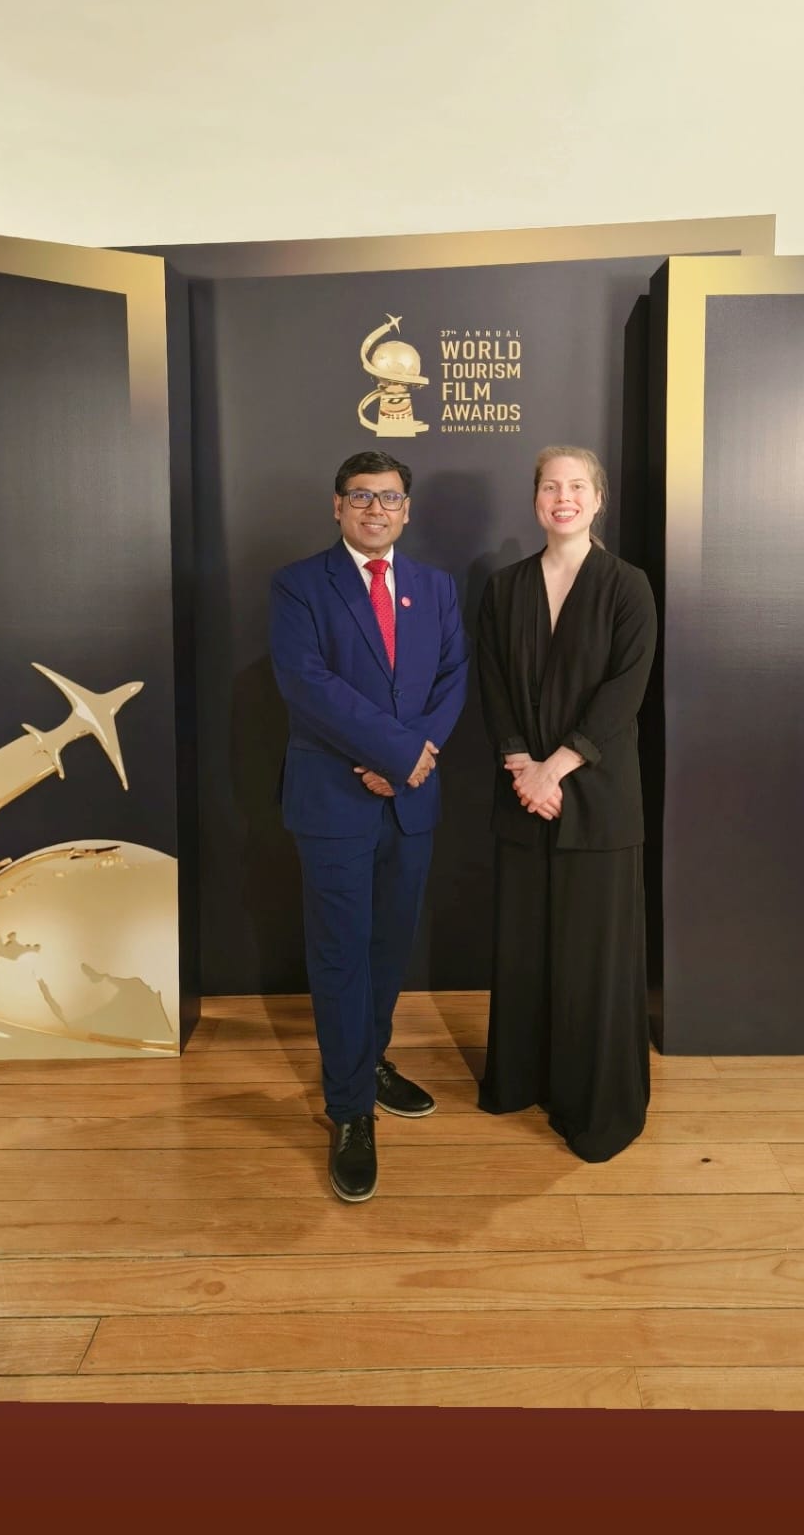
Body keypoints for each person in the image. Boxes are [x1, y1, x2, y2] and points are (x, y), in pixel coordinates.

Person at [269, 451, 469, 1202]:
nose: (375, 509)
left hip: (409, 799)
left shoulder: (435, 588)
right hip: (334, 802)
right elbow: (307, 685)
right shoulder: (299, 585)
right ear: (337, 506)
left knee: (389, 948)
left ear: (406, 510)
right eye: (361, 496)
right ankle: (350, 1108)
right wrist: (396, 753)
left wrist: (414, 759)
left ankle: (369, 1059)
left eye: (389, 498)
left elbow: (453, 677)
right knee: (341, 955)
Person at [476, 446, 658, 1163]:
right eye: (551, 486)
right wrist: (524, 766)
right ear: (535, 499)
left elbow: (625, 691)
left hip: (598, 797)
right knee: (527, 949)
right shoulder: (505, 588)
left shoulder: (628, 586)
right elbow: (492, 682)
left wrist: (557, 767)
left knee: (593, 958)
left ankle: (593, 1104)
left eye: (577, 486)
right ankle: (522, 1081)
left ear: (598, 499)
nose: (563, 497)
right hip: (524, 793)